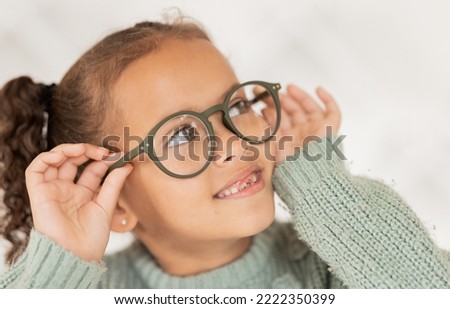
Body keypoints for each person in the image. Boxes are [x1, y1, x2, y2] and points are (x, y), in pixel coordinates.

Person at [0, 17, 449, 289]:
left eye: (236, 106)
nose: (235, 142)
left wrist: (319, 184)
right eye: (180, 136)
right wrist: (63, 256)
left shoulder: (338, 263)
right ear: (116, 201)